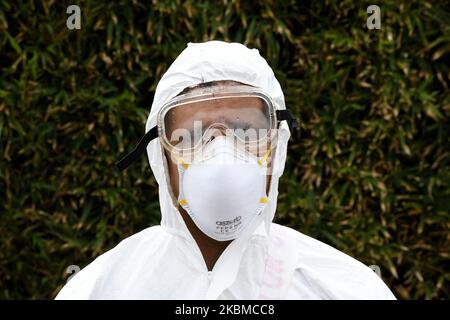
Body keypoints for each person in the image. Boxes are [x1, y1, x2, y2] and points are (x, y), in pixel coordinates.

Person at [55, 41, 396, 299]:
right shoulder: (101, 289)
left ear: (276, 148)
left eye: (246, 132)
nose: (221, 153)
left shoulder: (343, 289)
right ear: (161, 157)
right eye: (191, 135)